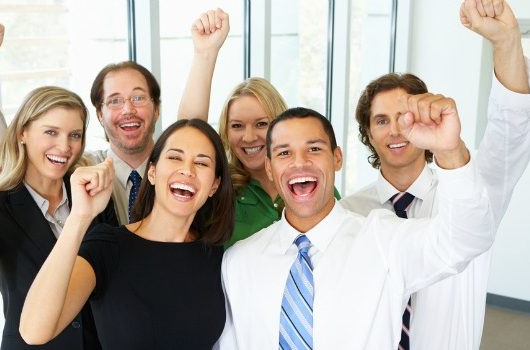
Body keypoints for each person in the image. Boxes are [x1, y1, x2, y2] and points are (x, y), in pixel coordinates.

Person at [216, 95, 508, 348]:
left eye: (314, 149)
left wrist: (449, 150)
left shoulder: (384, 240)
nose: (299, 162)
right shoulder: (239, 261)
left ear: (337, 159)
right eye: (284, 153)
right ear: (269, 167)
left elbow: (467, 238)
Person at [340, 1, 530, 348]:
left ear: (428, 120)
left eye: (405, 116)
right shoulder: (350, 212)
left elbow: (511, 128)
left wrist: (506, 42)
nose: (396, 130)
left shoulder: (472, 193)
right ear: (367, 133)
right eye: (382, 120)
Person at [0, 9, 230, 225]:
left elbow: (191, 133)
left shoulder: (173, 168)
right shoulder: (81, 170)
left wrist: (205, 54)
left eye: (138, 98)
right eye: (114, 101)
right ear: (100, 115)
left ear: (156, 108)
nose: (128, 109)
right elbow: (6, 160)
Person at [19, 119, 235, 349]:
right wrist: (79, 217)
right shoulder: (108, 247)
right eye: (175, 157)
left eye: (201, 163)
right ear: (152, 172)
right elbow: (34, 331)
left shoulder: (215, 255)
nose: (187, 170)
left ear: (214, 185)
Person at [0, 86, 117, 349]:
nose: (65, 146)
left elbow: (114, 283)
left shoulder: (93, 196)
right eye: (51, 132)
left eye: (74, 135)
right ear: (23, 132)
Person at [219, 78, 341, 247]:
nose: (249, 137)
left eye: (261, 124)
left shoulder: (318, 185)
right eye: (237, 126)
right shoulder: (219, 192)